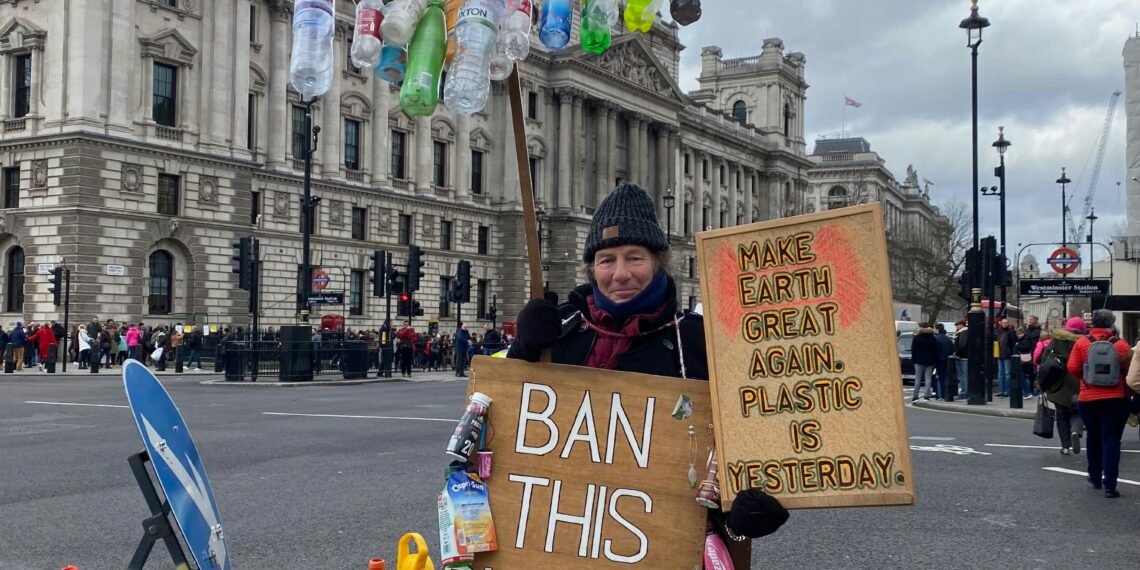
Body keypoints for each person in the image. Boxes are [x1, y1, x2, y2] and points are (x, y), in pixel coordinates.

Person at [507, 182, 789, 545]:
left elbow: (736, 451)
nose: (620, 273)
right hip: (561, 540)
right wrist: (522, 350)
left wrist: (742, 510)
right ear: (593, 269)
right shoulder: (557, 329)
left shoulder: (698, 342)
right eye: (606, 260)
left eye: (634, 257)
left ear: (658, 262)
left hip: (657, 546)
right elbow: (505, 428)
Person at [1067, 309, 1132, 498]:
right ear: (1111, 324)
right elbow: (1129, 369)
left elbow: (1072, 368)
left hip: (1088, 398)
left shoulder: (1082, 343)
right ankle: (1110, 485)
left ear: (1092, 323)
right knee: (1112, 440)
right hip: (1116, 398)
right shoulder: (1120, 345)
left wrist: (1087, 379)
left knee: (1093, 437)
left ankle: (1094, 476)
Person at [1035, 317, 1085, 455]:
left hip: (1058, 384)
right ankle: (1075, 431)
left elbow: (1044, 359)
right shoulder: (1083, 342)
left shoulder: (1056, 341)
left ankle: (1065, 446)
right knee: (1077, 412)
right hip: (1078, 383)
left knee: (1061, 415)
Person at [911, 324, 939, 401]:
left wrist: (914, 360)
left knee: (918, 379)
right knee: (928, 378)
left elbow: (913, 350)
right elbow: (935, 350)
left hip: (919, 360)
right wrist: (935, 360)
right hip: (930, 361)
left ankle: (915, 395)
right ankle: (926, 395)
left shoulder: (916, 338)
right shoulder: (933, 338)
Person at [995, 318, 1017, 397]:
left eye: (1006, 323)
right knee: (1000, 374)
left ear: (1008, 324)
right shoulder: (998, 332)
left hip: (1007, 355)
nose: (1004, 324)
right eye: (1003, 323)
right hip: (999, 354)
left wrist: (1012, 353)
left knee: (1007, 373)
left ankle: (1007, 391)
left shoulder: (1011, 332)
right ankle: (1001, 390)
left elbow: (1013, 344)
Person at [933, 323, 953, 401]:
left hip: (939, 360)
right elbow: (951, 349)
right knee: (945, 377)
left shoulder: (936, 338)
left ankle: (940, 395)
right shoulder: (947, 338)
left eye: (934, 328)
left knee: (940, 378)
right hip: (948, 361)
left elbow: (935, 350)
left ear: (937, 329)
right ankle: (946, 394)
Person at [952, 319, 969, 398]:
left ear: (962, 325)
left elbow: (962, 344)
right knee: (962, 375)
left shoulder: (963, 332)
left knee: (963, 375)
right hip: (962, 356)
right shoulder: (961, 332)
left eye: (957, 325)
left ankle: (964, 392)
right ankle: (963, 391)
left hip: (962, 357)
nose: (956, 326)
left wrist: (956, 352)